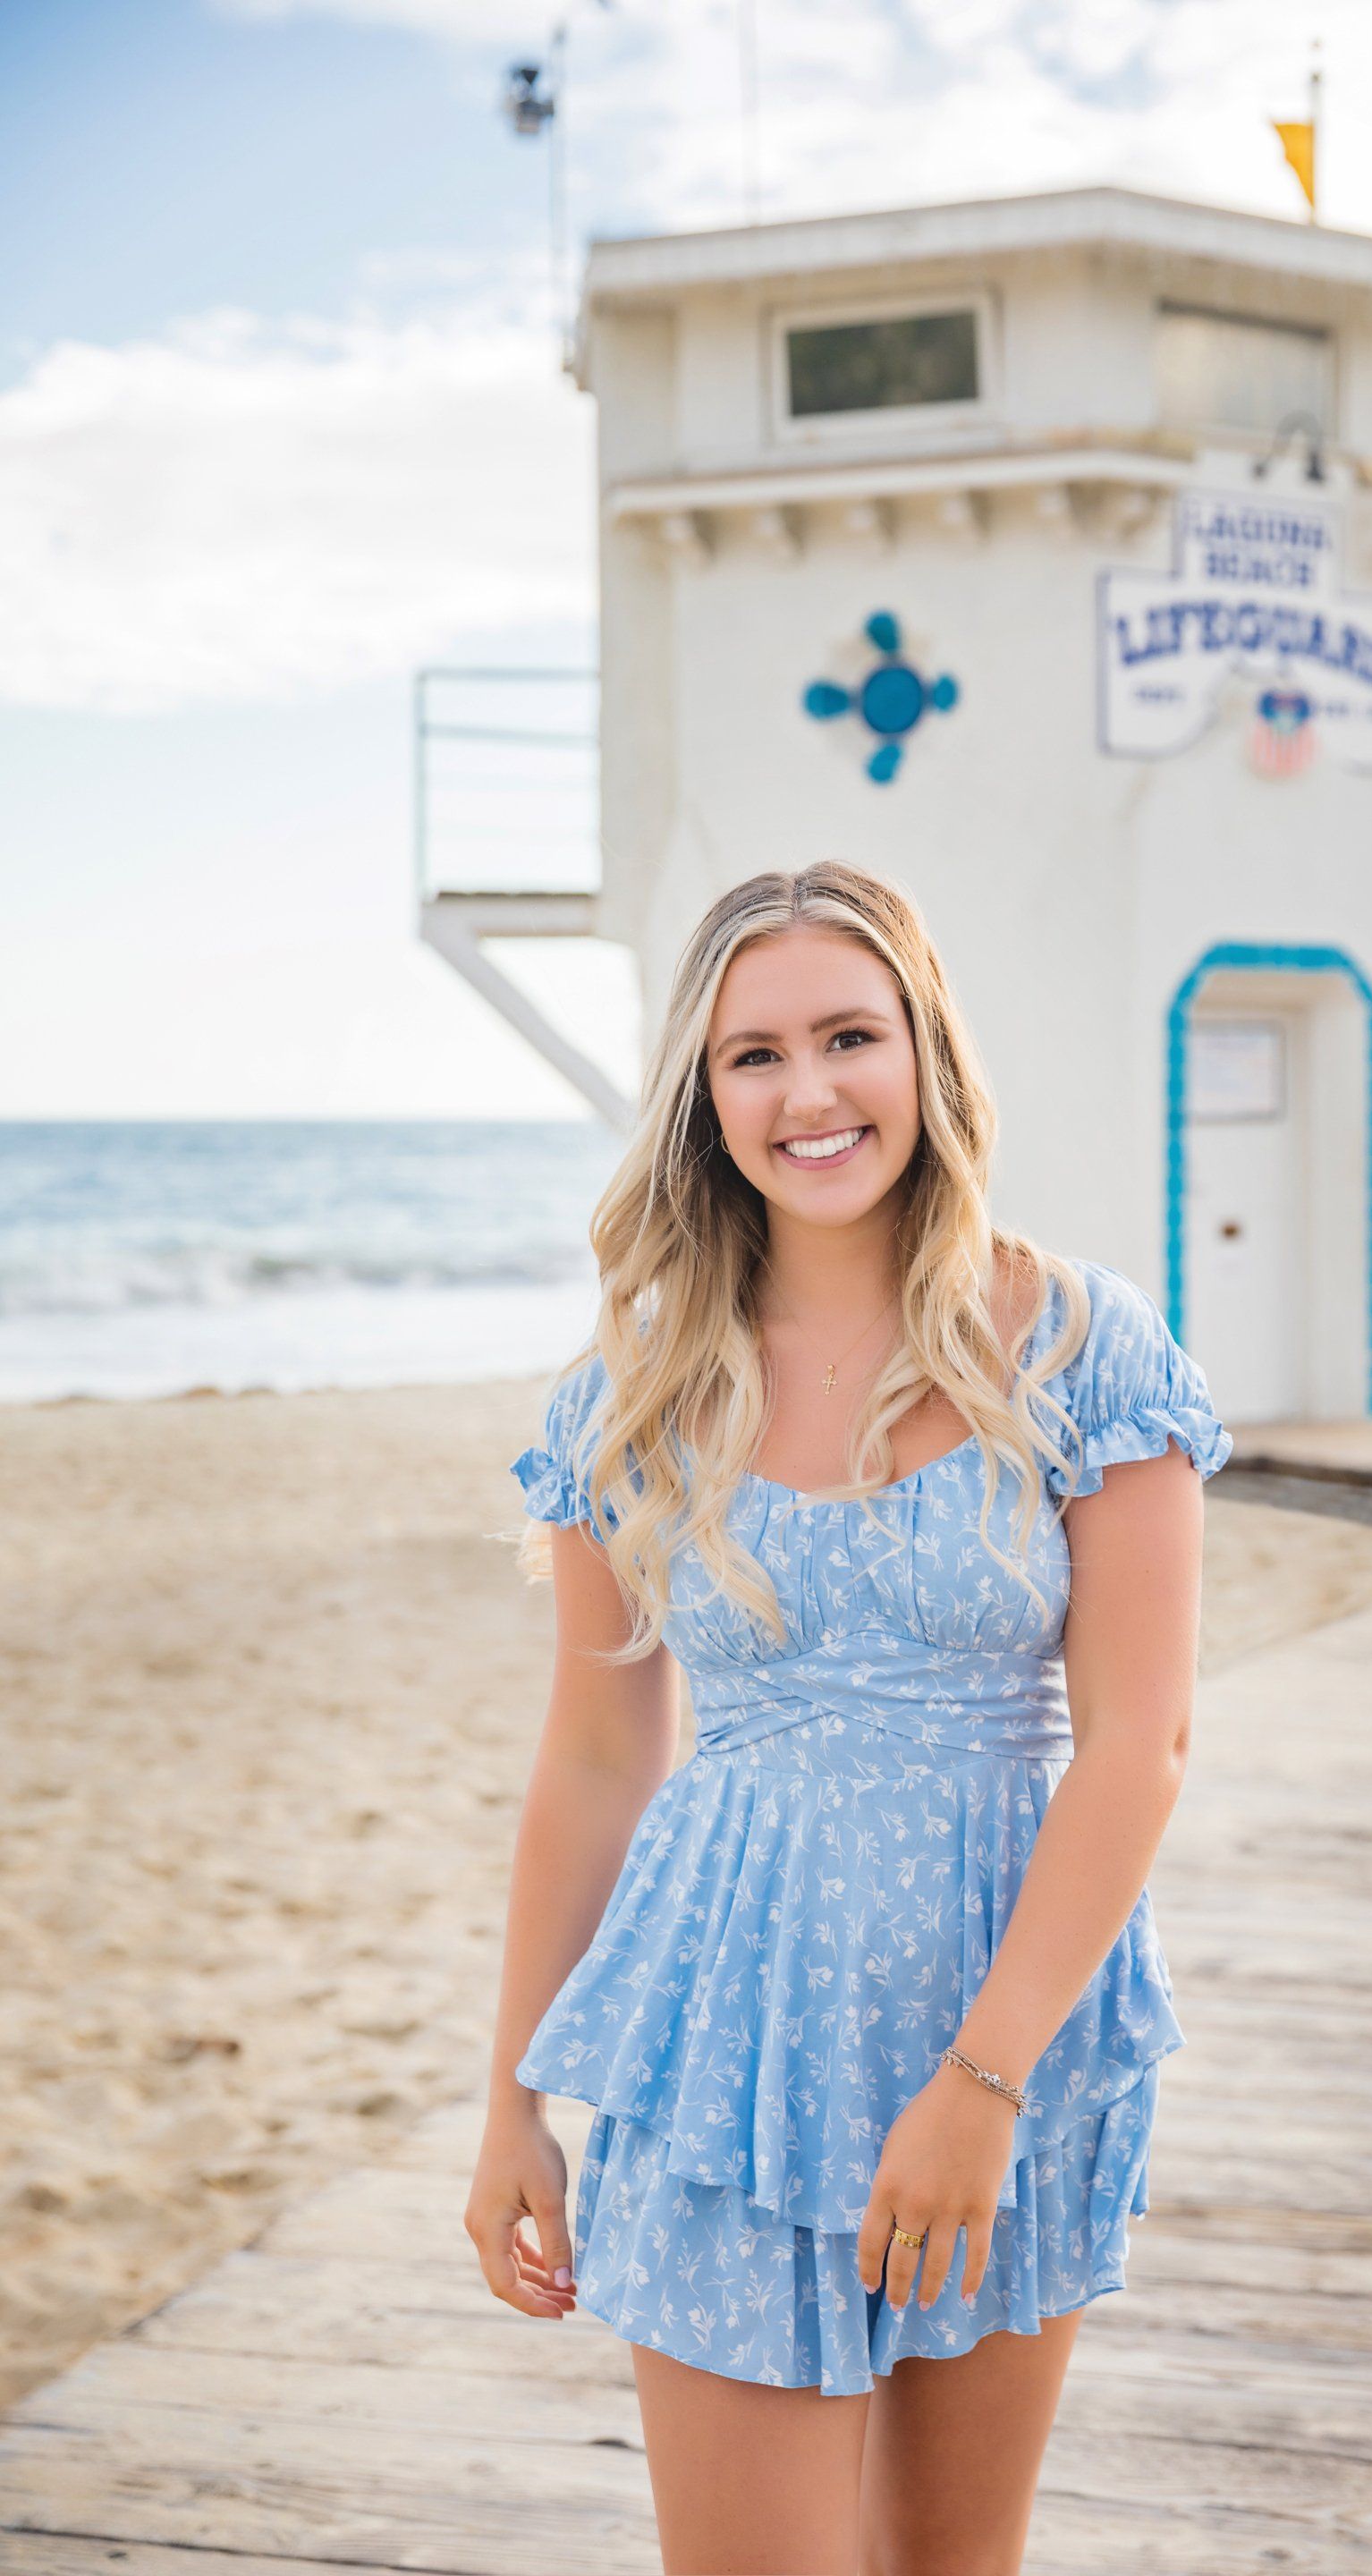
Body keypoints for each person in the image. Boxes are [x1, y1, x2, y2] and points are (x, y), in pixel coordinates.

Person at [464, 860, 1231, 2576]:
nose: (807, 1093)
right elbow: (594, 1758)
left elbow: (1138, 1740)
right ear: (701, 1092)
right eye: (754, 1055)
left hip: (1014, 2022)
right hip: (728, 2034)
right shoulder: (629, 1400)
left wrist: (985, 2085)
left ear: (925, 1055)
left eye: (848, 1037)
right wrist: (515, 2096)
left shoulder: (1085, 1347)